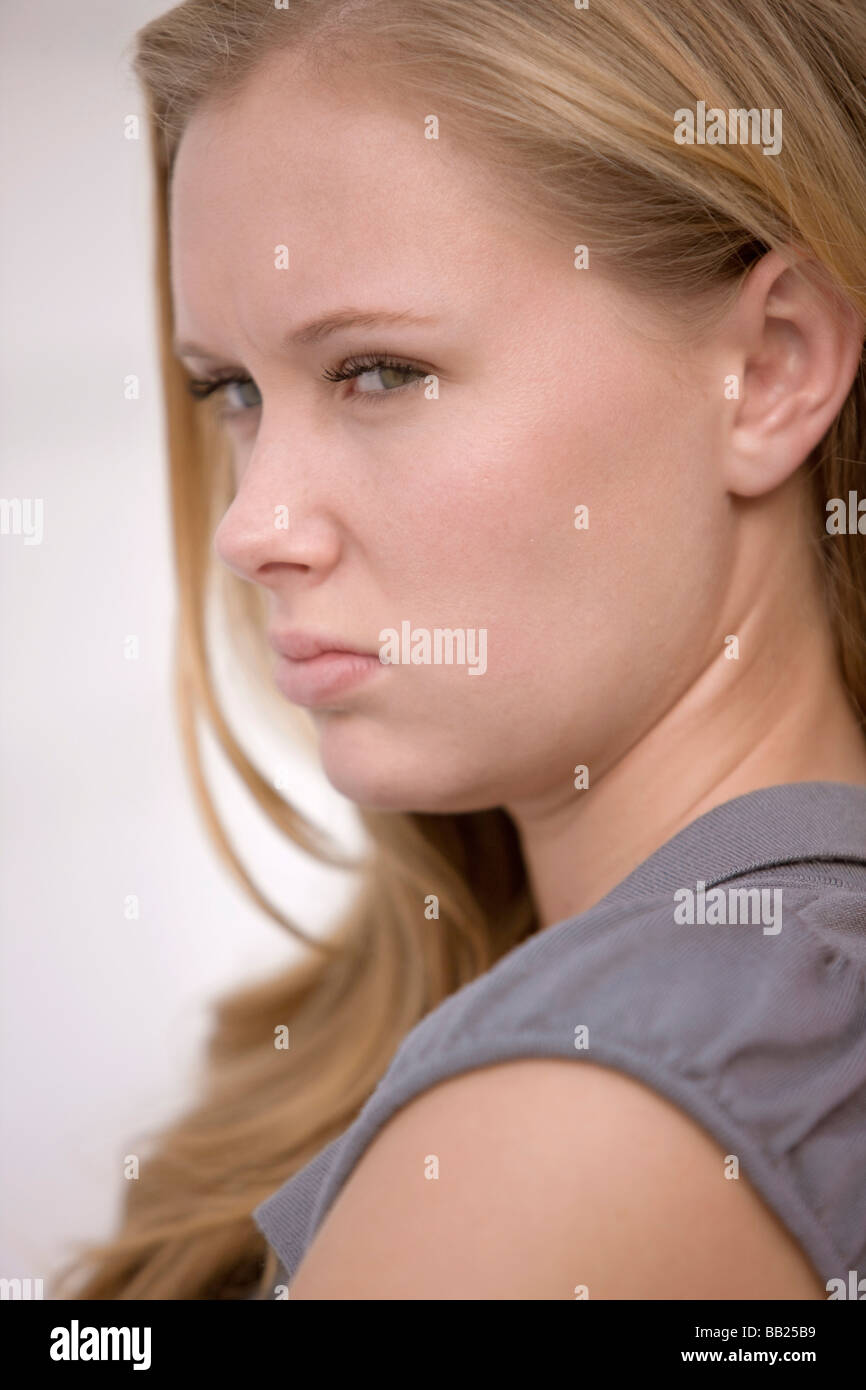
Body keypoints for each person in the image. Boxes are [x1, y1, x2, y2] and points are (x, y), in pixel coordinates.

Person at [58, 0, 866, 1299]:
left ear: (769, 369)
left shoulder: (571, 1130)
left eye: (378, 371)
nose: (255, 526)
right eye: (232, 392)